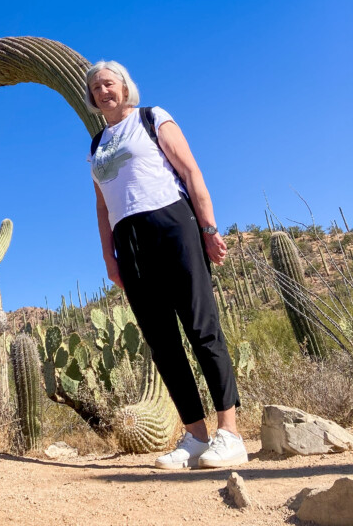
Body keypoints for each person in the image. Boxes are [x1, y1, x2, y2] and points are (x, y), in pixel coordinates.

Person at [86, 60, 248, 470]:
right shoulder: (96, 145)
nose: (104, 91)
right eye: (96, 87)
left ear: (124, 87)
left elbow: (190, 171)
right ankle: (194, 435)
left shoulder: (152, 117)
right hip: (130, 240)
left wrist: (209, 228)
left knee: (200, 327)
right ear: (91, 98)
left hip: (172, 222)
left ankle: (229, 432)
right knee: (162, 341)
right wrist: (110, 257)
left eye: (110, 83)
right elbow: (103, 207)